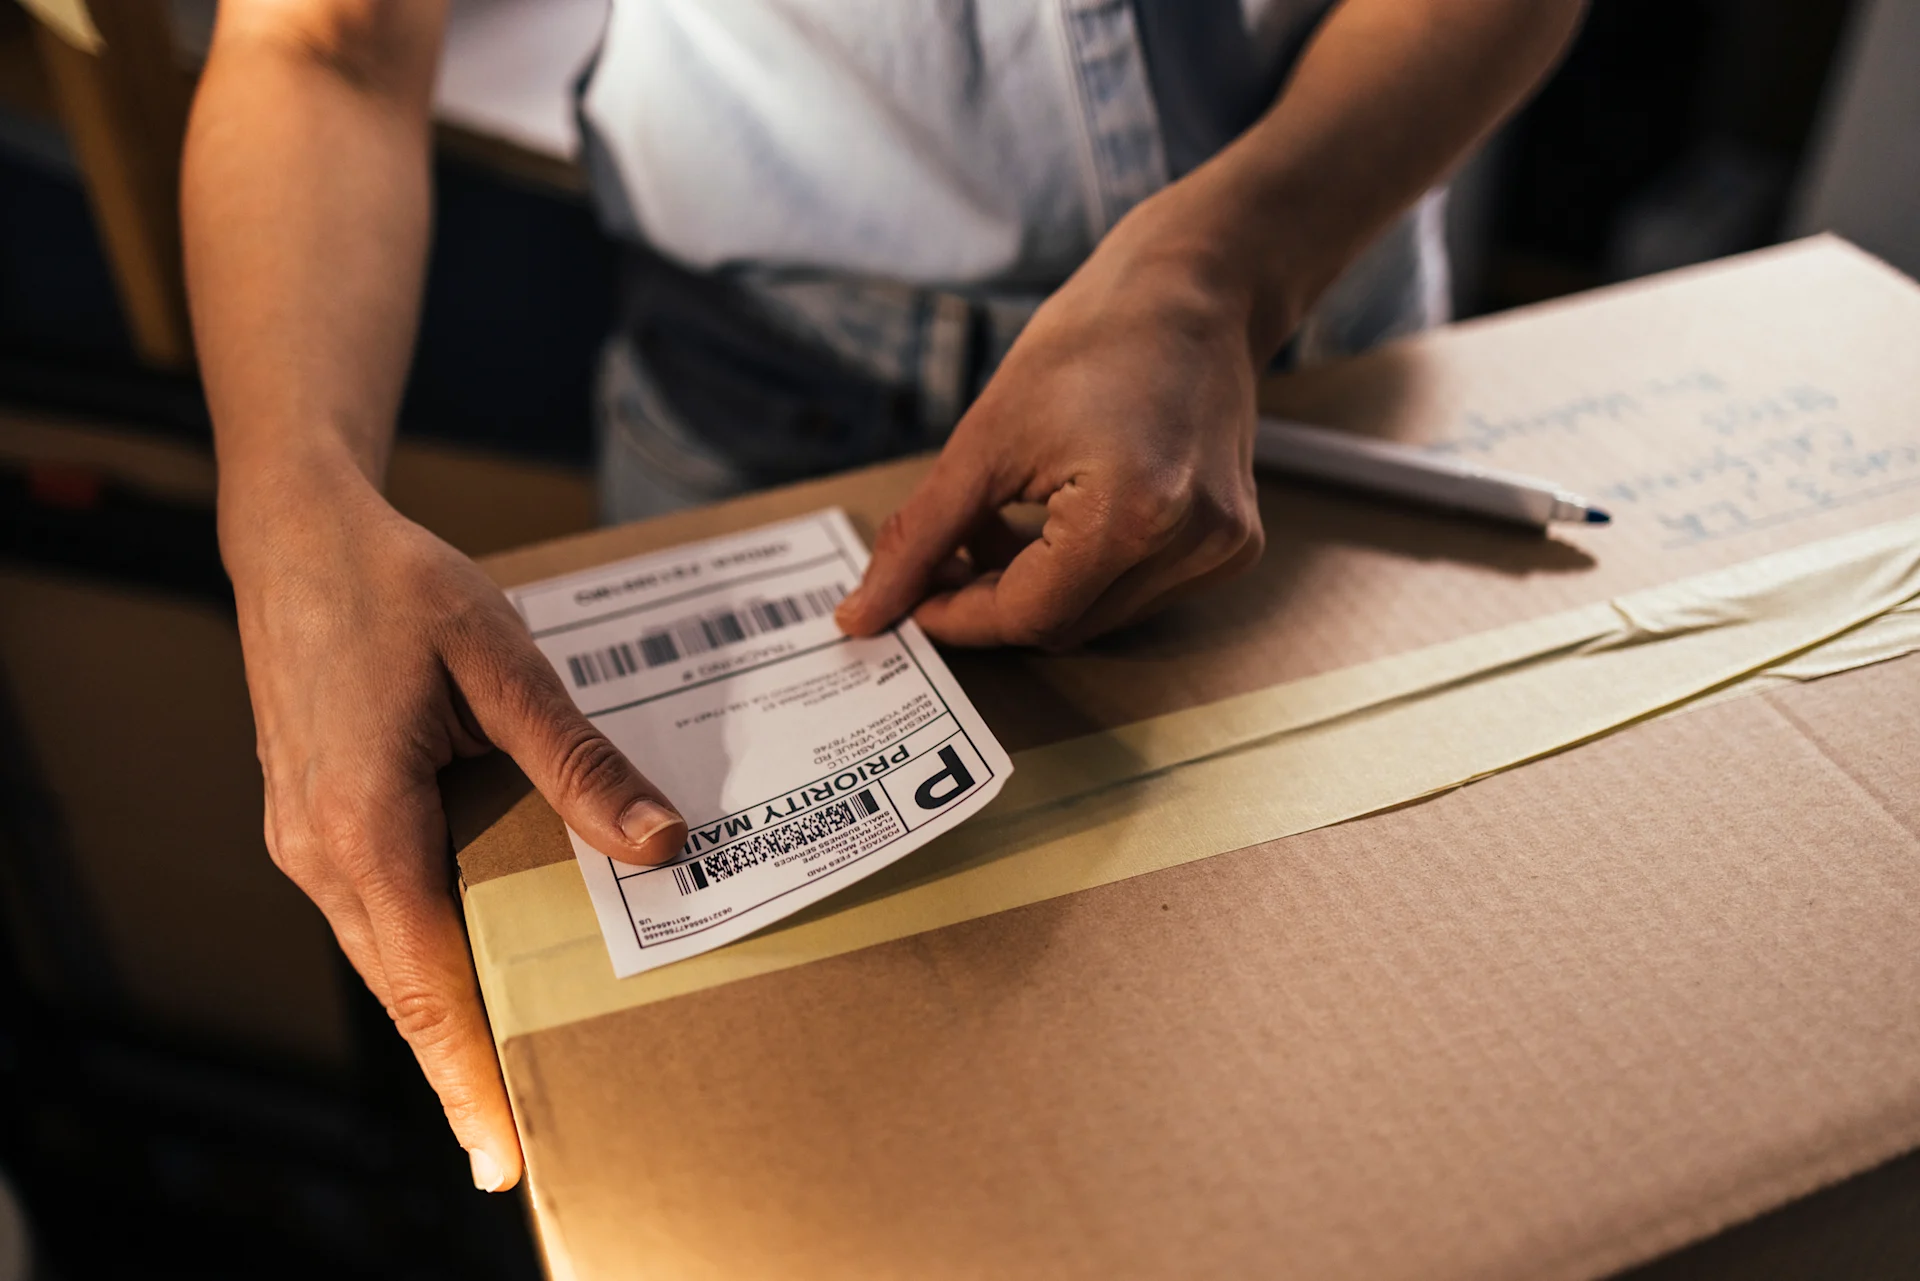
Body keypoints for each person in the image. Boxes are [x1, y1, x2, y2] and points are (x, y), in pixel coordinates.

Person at [181, 0, 1585, 1192]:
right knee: (764, 1158)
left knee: (1339, 1125)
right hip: (762, 394)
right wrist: (290, 526)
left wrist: (1222, 270)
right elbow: (326, 39)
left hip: (1291, 342)